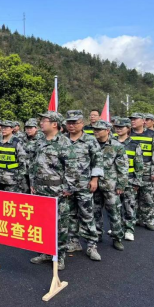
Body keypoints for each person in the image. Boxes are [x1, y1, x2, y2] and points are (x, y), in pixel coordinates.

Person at [29, 111, 77, 271]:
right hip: (40, 189)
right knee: (42, 223)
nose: (41, 123)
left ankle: (60, 255)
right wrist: (33, 182)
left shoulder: (64, 143)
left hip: (58, 191)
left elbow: (72, 167)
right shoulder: (40, 141)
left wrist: (68, 188)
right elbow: (34, 162)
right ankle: (45, 252)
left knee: (60, 224)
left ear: (54, 124)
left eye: (44, 120)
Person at [64, 110, 103, 261]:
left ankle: (92, 245)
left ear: (82, 124)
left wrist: (95, 179)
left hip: (84, 184)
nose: (72, 125)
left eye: (75, 122)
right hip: (66, 186)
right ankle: (73, 242)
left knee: (87, 215)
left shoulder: (90, 140)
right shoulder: (62, 140)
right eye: (69, 122)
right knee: (71, 215)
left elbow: (97, 161)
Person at [92, 120, 128, 251]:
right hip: (94, 185)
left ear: (107, 130)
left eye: (99, 129)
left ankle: (117, 237)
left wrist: (121, 185)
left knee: (114, 213)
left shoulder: (117, 146)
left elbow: (123, 168)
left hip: (110, 186)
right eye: (94, 129)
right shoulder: (91, 144)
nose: (96, 131)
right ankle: (96, 234)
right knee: (95, 211)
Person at [129, 112, 154, 229]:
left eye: (136, 119)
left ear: (143, 121)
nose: (133, 121)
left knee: (147, 196)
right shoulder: (127, 134)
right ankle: (132, 219)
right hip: (131, 171)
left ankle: (149, 220)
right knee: (131, 197)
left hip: (147, 169)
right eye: (132, 119)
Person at [114, 118, 143, 241]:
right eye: (117, 127)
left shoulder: (134, 144)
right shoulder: (111, 142)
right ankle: (118, 227)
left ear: (128, 128)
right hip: (113, 179)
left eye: (122, 127)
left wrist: (137, 181)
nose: (119, 129)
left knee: (129, 205)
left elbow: (139, 165)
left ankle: (129, 229)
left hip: (129, 179)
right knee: (115, 206)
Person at [0, 120, 28, 193]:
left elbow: (22, 162)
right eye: (2, 127)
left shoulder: (17, 142)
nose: (3, 129)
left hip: (12, 180)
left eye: (6, 127)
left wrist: (19, 178)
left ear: (12, 129)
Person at [23, 118, 44, 191]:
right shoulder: (23, 138)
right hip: (24, 170)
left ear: (36, 128)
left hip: (35, 172)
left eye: (30, 128)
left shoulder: (41, 139)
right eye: (27, 128)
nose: (28, 130)